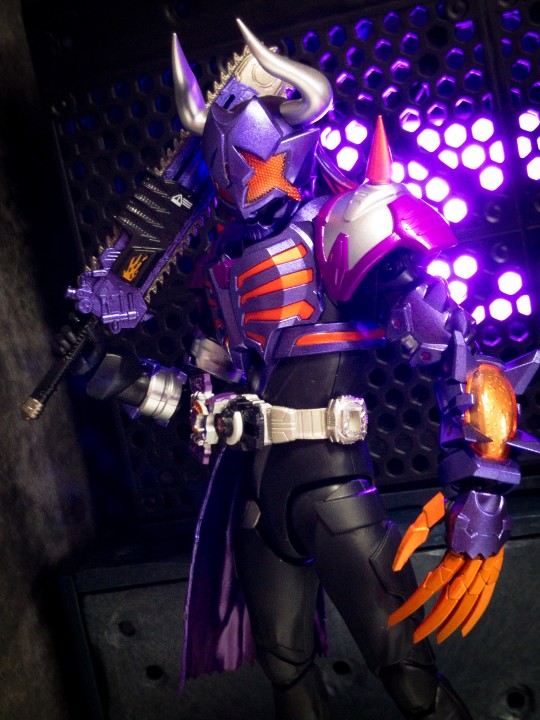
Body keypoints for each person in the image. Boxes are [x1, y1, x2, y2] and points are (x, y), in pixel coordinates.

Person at [56, 20, 539, 720]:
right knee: (287, 676)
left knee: (410, 678)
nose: (239, 177)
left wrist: (482, 486)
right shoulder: (223, 267)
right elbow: (213, 400)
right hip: (258, 508)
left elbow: (452, 345)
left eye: (247, 158)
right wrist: (115, 376)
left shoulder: (340, 227)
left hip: (335, 497)